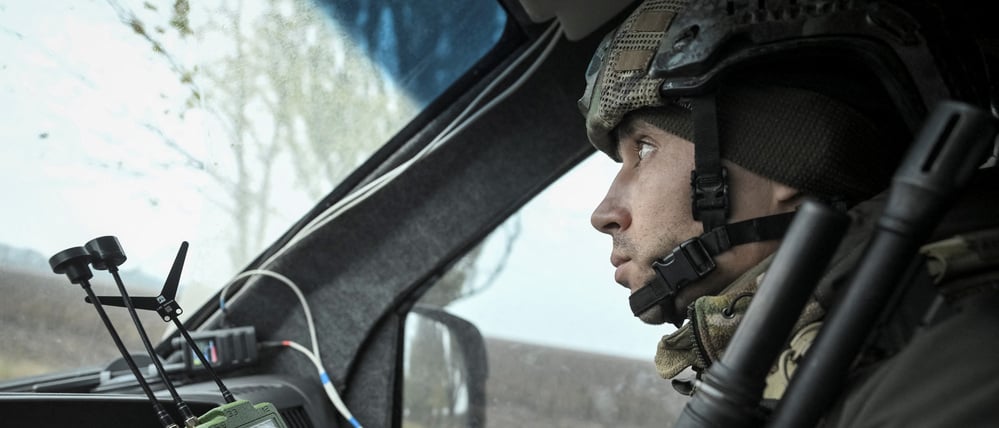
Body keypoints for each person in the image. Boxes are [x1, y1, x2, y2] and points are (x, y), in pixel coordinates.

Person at [580, 0, 999, 425]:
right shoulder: (798, 366)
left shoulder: (950, 366)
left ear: (793, 164)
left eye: (645, 149)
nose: (604, 214)